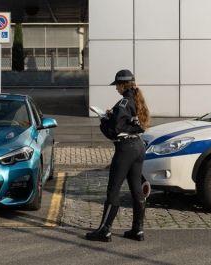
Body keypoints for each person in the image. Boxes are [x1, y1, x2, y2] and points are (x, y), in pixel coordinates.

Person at [86, 69, 150, 242]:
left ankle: (104, 231)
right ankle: (138, 230)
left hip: (125, 149)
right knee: (136, 189)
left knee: (113, 190)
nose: (116, 89)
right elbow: (132, 123)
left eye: (117, 85)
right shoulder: (137, 100)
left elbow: (113, 131)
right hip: (138, 146)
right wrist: (112, 116)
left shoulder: (124, 102)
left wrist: (104, 120)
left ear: (123, 85)